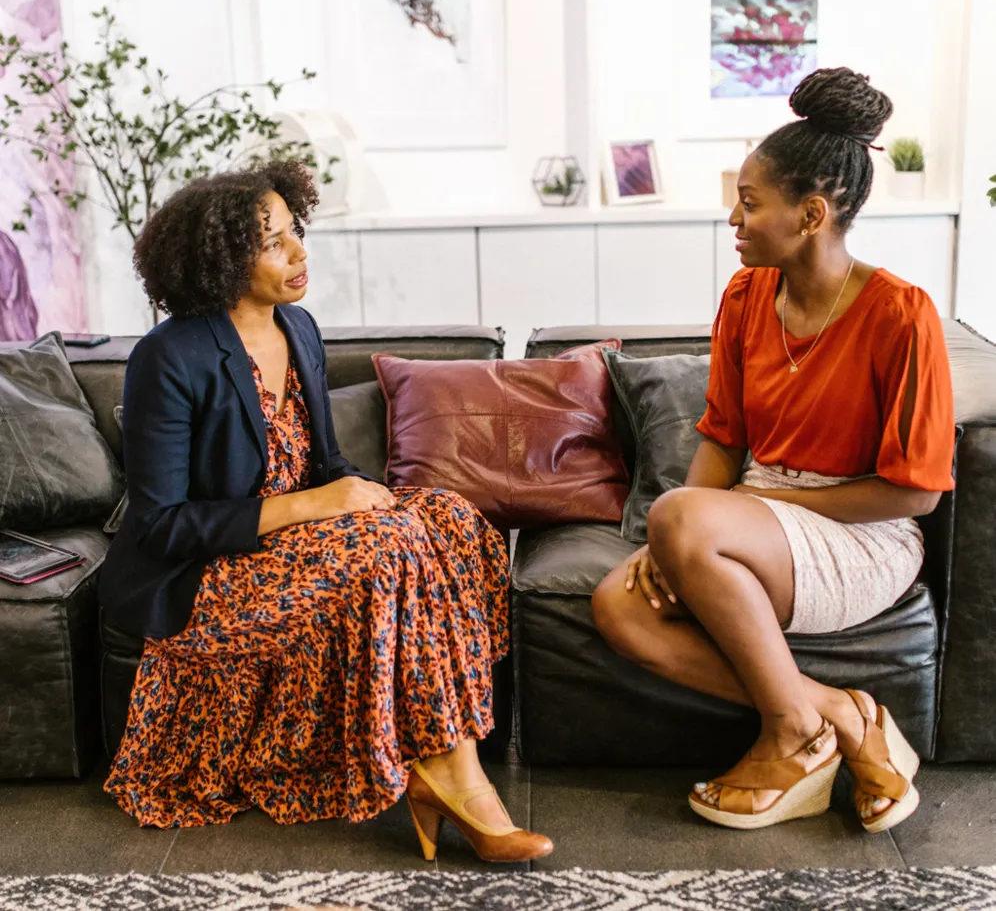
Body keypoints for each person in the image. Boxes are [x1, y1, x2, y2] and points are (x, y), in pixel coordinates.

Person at [99, 160, 553, 863]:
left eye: (296, 231)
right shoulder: (169, 357)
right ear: (220, 259)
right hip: (207, 575)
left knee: (454, 522)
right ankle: (456, 779)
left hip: (295, 549)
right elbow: (161, 524)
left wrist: (371, 499)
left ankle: (444, 755)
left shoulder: (300, 328)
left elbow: (325, 466)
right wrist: (323, 505)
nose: (299, 253)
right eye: (274, 241)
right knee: (391, 546)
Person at [591, 68, 955, 833]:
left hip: (862, 535)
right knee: (617, 609)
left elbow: (915, 493)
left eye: (751, 202)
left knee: (685, 519)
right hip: (752, 522)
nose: (734, 216)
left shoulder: (901, 315)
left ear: (812, 213)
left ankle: (789, 735)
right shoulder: (745, 299)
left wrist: (721, 515)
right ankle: (838, 717)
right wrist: (682, 531)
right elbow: (723, 438)